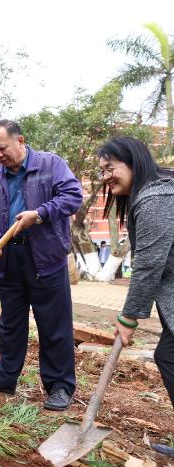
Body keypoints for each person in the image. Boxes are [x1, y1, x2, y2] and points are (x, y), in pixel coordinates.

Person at [0, 119, 82, 411]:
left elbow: (73, 197)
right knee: (10, 323)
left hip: (46, 258)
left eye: (2, 148)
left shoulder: (50, 165)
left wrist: (41, 213)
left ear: (20, 141)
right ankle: (5, 377)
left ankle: (59, 386)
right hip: (9, 259)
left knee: (54, 325)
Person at [97, 137, 174, 459]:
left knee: (169, 357)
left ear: (134, 163)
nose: (105, 177)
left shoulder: (155, 197)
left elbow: (149, 264)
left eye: (110, 168)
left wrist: (129, 317)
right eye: (101, 171)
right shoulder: (157, 191)